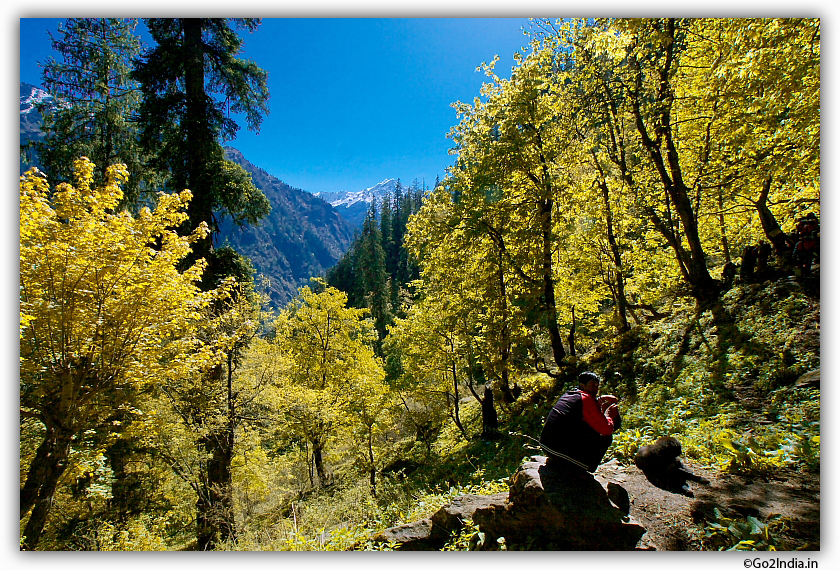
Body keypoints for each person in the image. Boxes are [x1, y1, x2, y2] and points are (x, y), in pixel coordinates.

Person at [539, 371, 621, 473]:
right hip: (556, 449)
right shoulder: (585, 399)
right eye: (592, 385)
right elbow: (606, 429)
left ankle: (564, 461)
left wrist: (598, 401)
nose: (595, 389)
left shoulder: (571, 394)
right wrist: (611, 416)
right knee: (605, 437)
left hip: (546, 444)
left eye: (597, 386)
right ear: (582, 384)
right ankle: (582, 468)